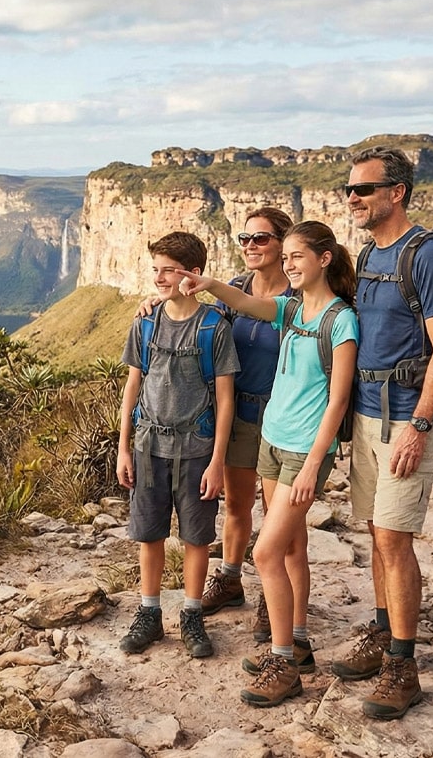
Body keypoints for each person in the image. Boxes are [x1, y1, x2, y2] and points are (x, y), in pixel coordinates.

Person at [176, 221, 358, 707]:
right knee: (292, 546)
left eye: (299, 256)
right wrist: (204, 284)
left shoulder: (340, 320)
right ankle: (296, 642)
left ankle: (282, 663)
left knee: (265, 554)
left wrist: (313, 464)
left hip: (302, 452)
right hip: (271, 441)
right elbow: (248, 305)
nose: (291, 264)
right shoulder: (292, 309)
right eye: (289, 257)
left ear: (324, 259)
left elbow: (338, 401)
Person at [330, 146, 433, 720]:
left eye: (363, 190)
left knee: (393, 538)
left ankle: (403, 666)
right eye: (349, 191)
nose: (353, 199)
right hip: (363, 412)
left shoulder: (426, 255)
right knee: (373, 531)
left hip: (406, 416)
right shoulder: (369, 252)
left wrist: (420, 424)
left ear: (397, 193)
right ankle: (384, 633)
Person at [138, 207, 294, 638]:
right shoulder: (235, 289)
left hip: (282, 414)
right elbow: (194, 309)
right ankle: (229, 578)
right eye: (245, 239)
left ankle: (274, 600)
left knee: (280, 516)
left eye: (261, 239)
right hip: (240, 413)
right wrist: (158, 298)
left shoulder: (298, 295)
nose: (250, 246)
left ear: (284, 244)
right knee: (239, 506)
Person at [116, 231, 240, 658]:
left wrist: (217, 461)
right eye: (155, 269)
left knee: (196, 536)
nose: (159, 277)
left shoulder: (213, 328)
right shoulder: (145, 323)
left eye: (169, 269)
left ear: (194, 273)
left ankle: (190, 615)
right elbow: (132, 388)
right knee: (148, 533)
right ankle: (149, 614)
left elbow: (226, 400)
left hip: (197, 448)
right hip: (149, 445)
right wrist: (122, 448)